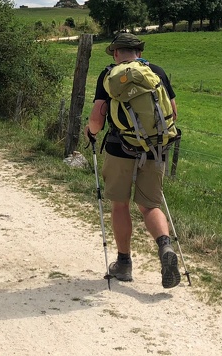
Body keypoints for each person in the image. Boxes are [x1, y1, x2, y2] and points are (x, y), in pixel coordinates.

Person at [85, 32, 180, 288]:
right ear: (139, 51)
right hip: (153, 148)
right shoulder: (156, 72)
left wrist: (91, 133)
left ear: (116, 53)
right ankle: (165, 248)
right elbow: (173, 112)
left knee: (120, 204)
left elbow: (97, 116)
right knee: (150, 205)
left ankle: (124, 263)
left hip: (119, 147)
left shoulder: (109, 75)